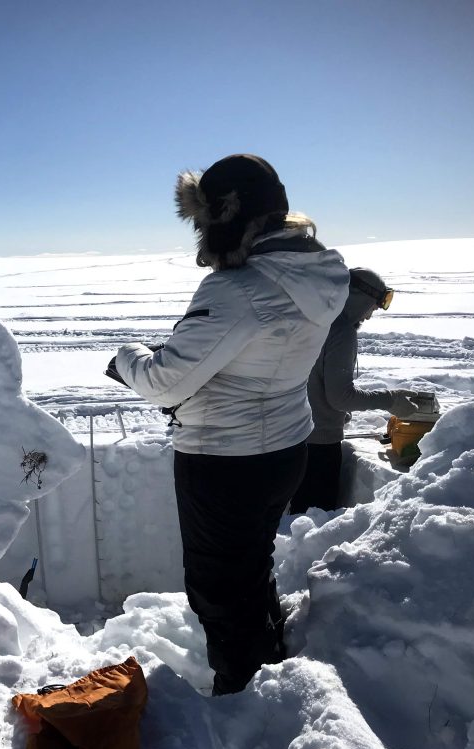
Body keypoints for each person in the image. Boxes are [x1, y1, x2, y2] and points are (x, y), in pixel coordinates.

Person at [113, 154, 350, 695]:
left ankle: (244, 692)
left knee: (217, 585)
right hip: (288, 445)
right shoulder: (319, 272)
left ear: (225, 217)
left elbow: (165, 381)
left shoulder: (239, 288)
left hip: (225, 458)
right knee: (250, 563)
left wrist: (126, 358)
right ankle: (269, 656)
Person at [290, 267, 418, 515]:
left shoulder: (311, 320)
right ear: (358, 297)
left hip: (291, 437)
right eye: (372, 306)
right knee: (314, 519)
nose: (369, 316)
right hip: (319, 443)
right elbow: (340, 397)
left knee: (296, 516)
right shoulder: (341, 330)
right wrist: (390, 400)